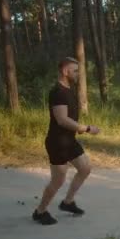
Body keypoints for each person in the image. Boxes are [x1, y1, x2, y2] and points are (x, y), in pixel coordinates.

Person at [33, 57, 100, 225]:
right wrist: (86, 128)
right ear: (65, 71)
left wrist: (78, 129)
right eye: (75, 70)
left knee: (85, 168)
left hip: (69, 140)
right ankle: (40, 212)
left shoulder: (68, 90)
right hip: (57, 143)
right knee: (58, 180)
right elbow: (62, 120)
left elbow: (68, 119)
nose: (78, 74)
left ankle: (67, 202)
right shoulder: (58, 92)